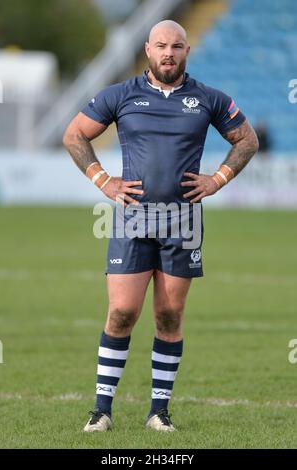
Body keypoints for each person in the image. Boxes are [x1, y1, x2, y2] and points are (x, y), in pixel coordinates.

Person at [63, 20, 259, 433]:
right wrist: (103, 180)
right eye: (160, 46)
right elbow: (74, 134)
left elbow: (247, 140)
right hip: (132, 217)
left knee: (169, 316)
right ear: (148, 50)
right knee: (121, 312)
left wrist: (217, 179)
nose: (168, 53)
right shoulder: (121, 95)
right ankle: (101, 411)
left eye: (177, 46)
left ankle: (159, 412)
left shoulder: (208, 98)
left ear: (187, 51)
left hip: (183, 221)